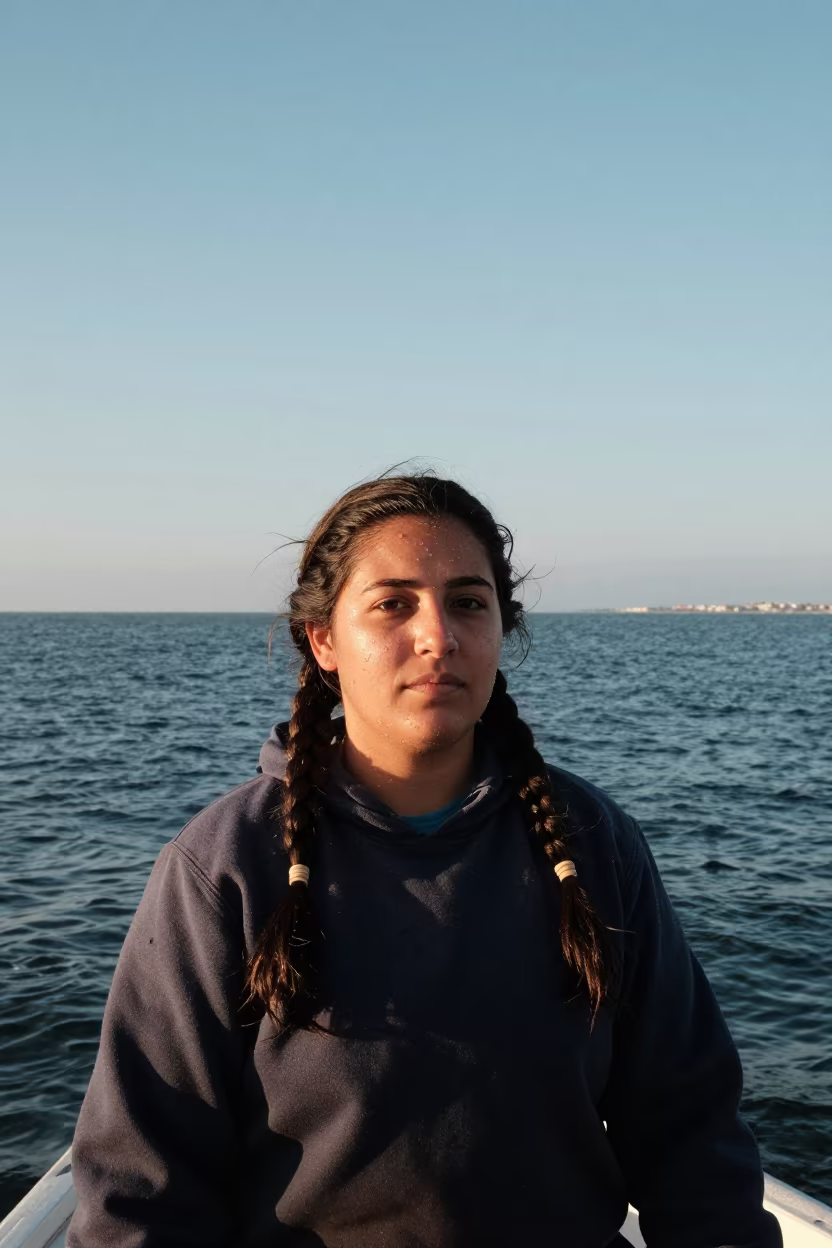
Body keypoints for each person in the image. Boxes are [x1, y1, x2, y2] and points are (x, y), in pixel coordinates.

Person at [67, 473, 781, 1248]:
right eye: (393, 603)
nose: (438, 635)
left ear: (502, 628)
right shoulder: (227, 865)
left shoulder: (594, 843)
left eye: (469, 602)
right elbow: (141, 1188)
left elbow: (689, 1132)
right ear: (324, 639)